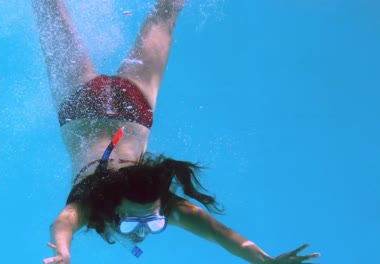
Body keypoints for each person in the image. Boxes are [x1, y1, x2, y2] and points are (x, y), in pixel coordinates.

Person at [31, 0, 321, 263]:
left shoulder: (115, 199)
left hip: (125, 109)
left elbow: (64, 223)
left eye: (144, 223)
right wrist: (63, 250)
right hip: (86, 109)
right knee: (49, 10)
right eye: (151, 222)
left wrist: (63, 249)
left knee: (165, 12)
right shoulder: (97, 200)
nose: (143, 229)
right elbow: (216, 232)